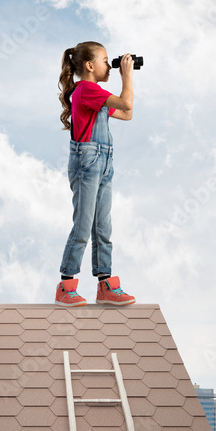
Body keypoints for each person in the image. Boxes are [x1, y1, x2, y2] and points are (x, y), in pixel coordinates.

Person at [55, 41, 137, 306]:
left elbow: (127, 113)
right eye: (105, 60)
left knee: (103, 226)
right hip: (87, 162)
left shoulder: (97, 95)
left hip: (103, 162)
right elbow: (126, 101)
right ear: (90, 66)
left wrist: (127, 79)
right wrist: (127, 77)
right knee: (83, 225)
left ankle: (105, 285)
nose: (109, 65)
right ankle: (66, 287)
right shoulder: (88, 90)